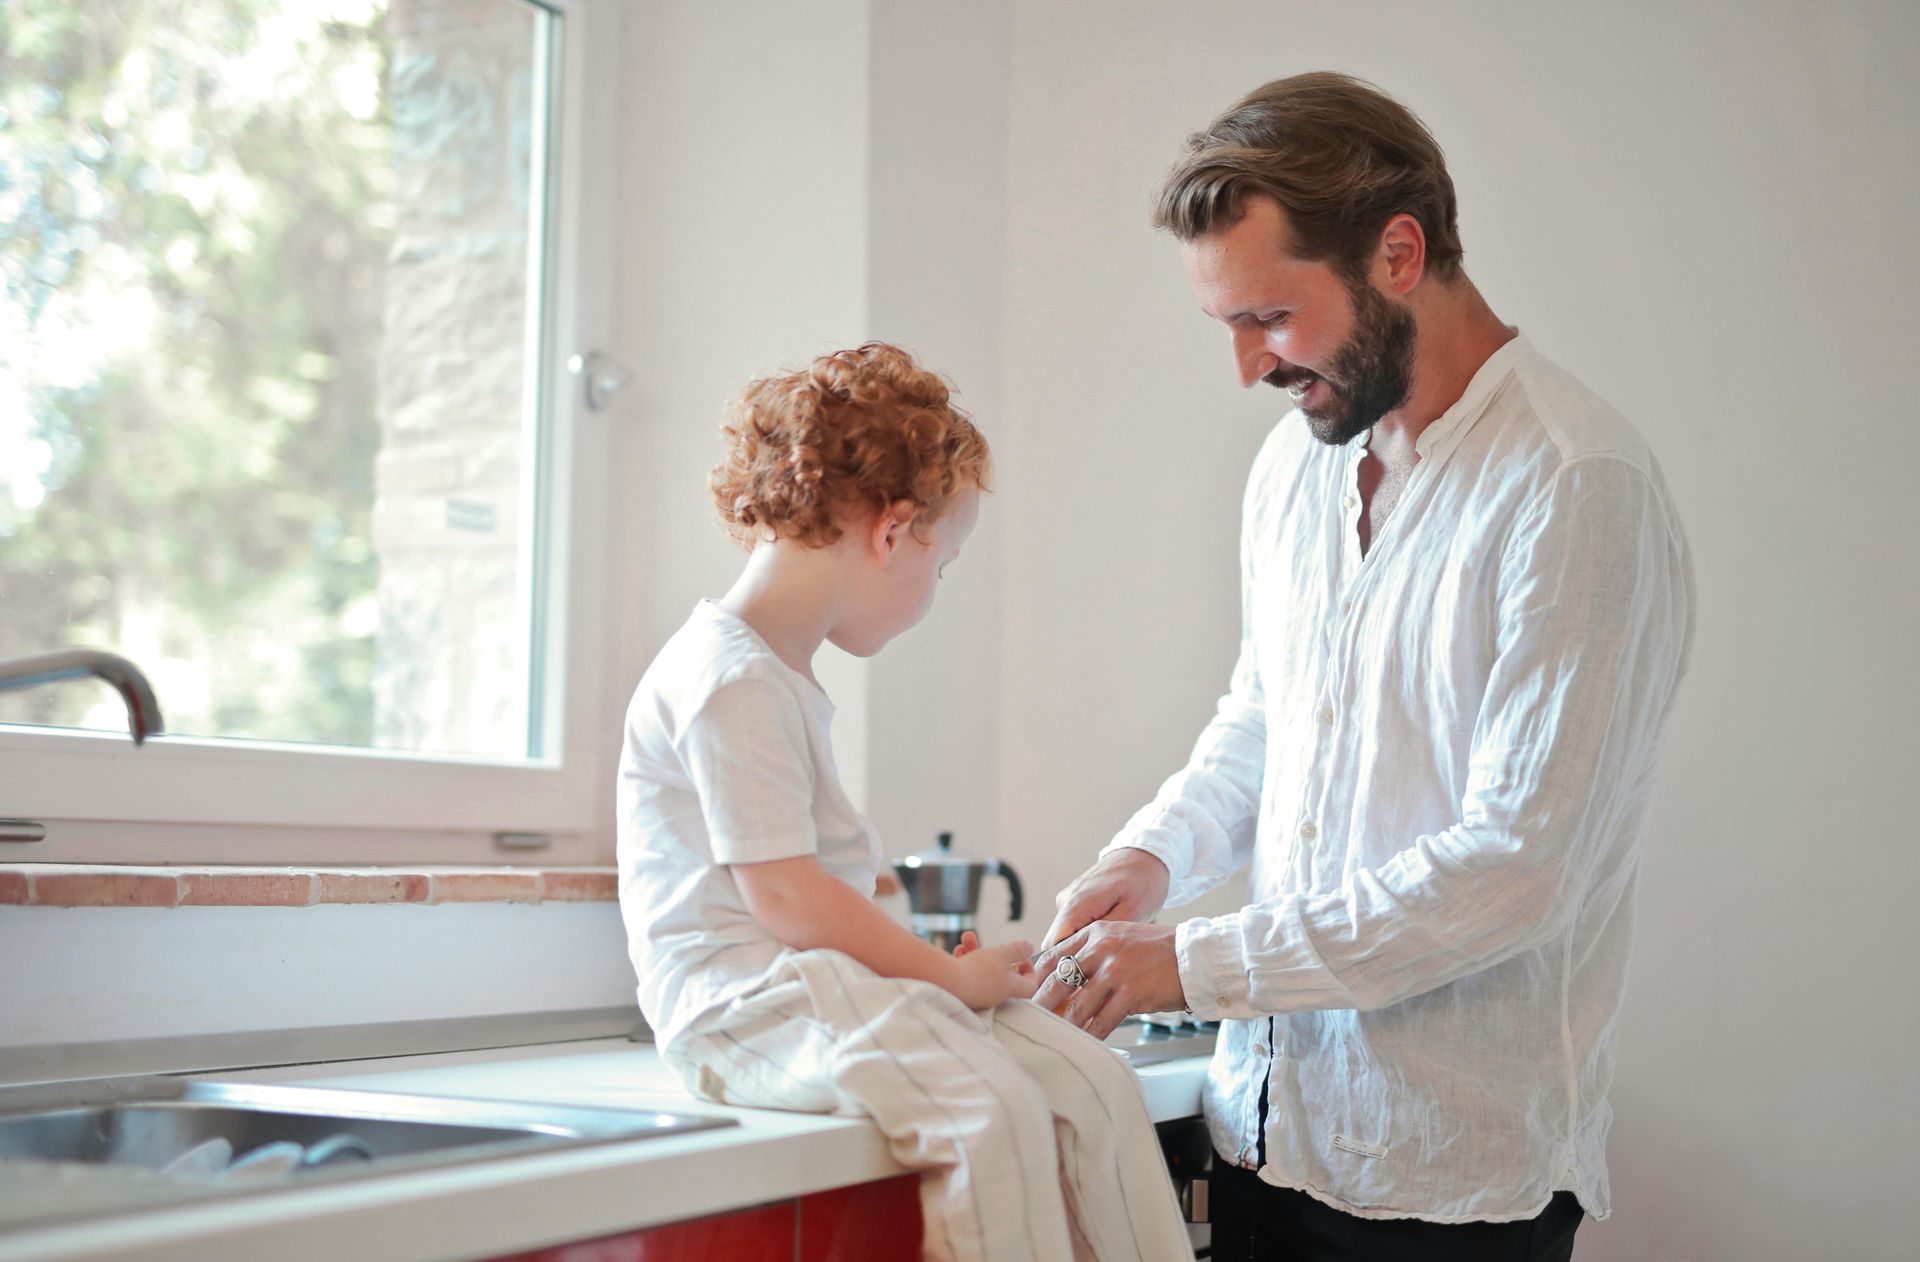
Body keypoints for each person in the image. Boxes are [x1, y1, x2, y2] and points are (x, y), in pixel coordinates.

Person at [1029, 72, 1696, 1260]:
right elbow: (1265, 719)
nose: (1248, 368)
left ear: (1399, 253)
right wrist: (1151, 857)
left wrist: (1188, 959)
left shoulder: (1578, 487)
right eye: (1228, 325)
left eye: (1270, 318)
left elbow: (1517, 868)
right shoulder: (1296, 470)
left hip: (1453, 1176)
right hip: (1265, 1136)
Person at [615, 342, 1192, 1262]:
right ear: (893, 533)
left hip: (813, 987)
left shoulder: (772, 675)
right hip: (738, 1010)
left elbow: (815, 911)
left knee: (1091, 1084)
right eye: (945, 560)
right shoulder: (730, 678)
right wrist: (946, 979)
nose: (936, 583)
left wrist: (932, 972)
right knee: (985, 1111)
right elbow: (788, 902)